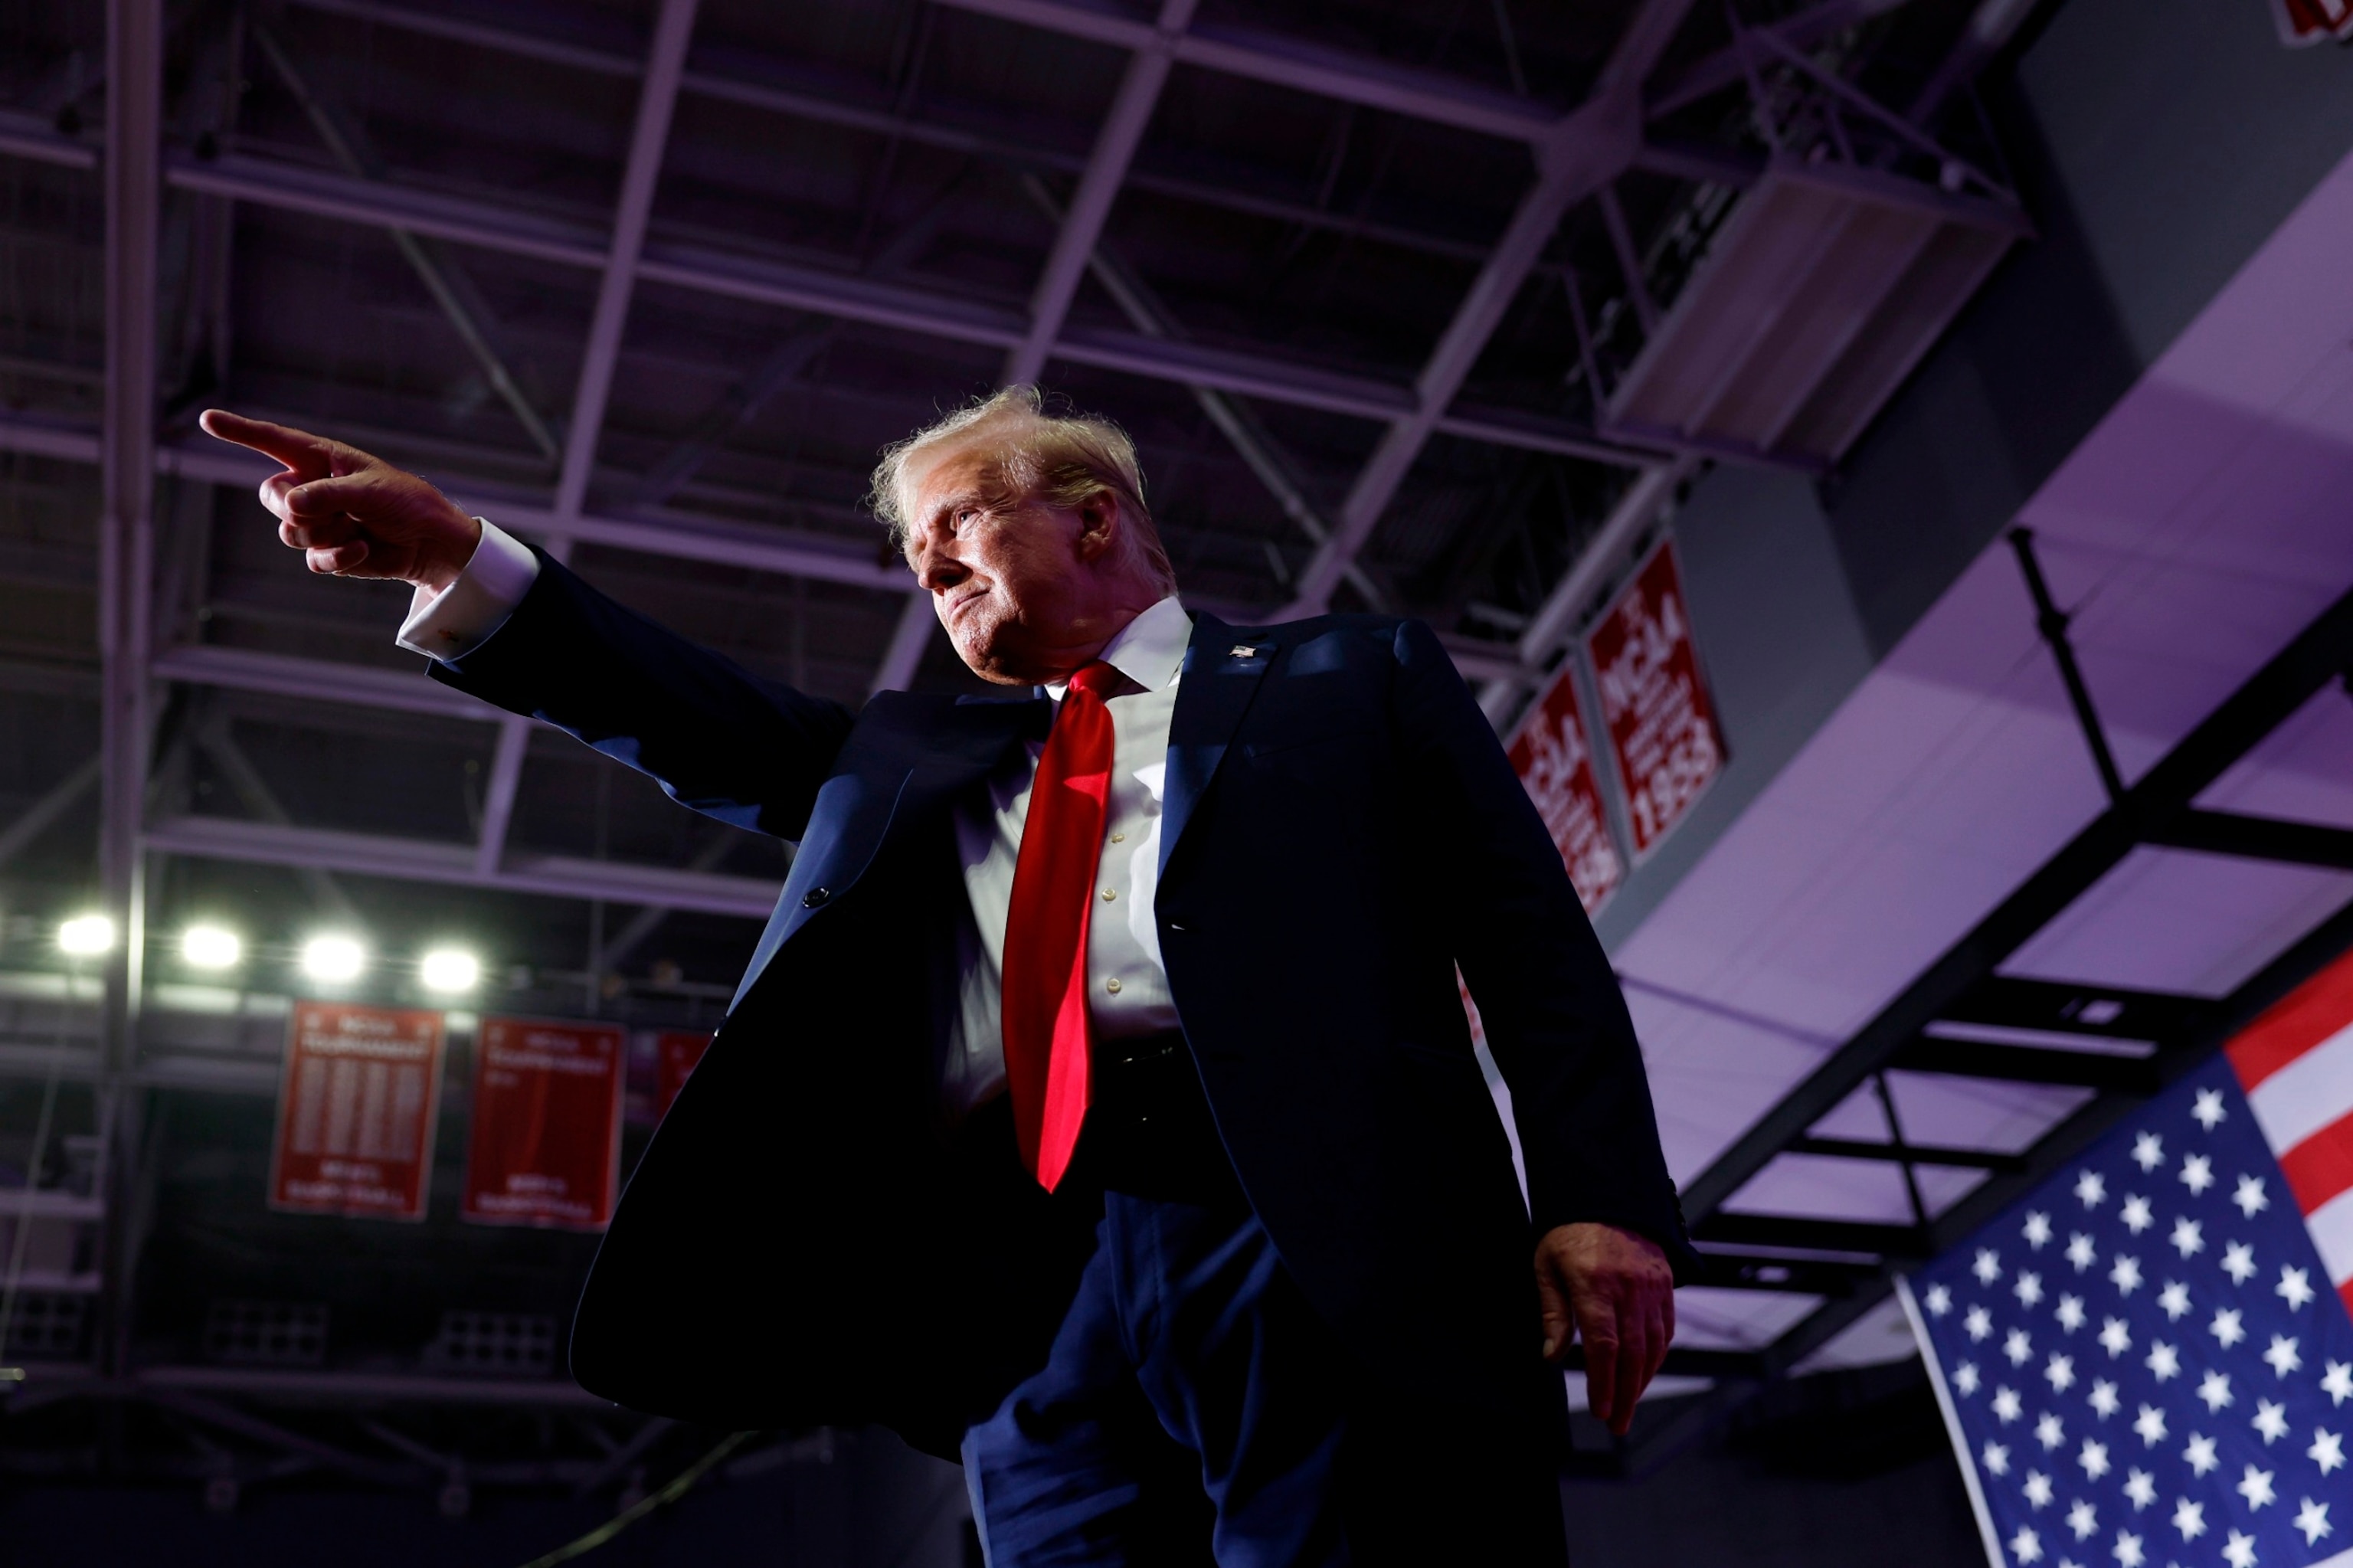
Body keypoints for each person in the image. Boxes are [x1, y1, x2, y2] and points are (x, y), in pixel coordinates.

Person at [200, 389, 1697, 1566]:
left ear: (1096, 518)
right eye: (918, 567)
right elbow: (684, 711)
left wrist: (1603, 1198)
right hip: (1026, 1284)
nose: (933, 578)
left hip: (1312, 1231)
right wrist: (463, 559)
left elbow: (1528, 937)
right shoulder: (910, 756)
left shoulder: (1350, 678)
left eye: (958, 533)